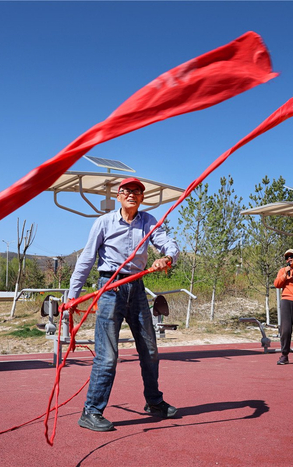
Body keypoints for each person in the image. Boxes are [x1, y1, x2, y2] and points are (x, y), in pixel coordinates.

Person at [68, 177, 180, 432]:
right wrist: (72, 297)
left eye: (137, 191)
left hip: (137, 288)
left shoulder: (149, 221)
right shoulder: (103, 222)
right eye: (127, 191)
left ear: (142, 198)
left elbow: (169, 244)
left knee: (150, 350)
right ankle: (91, 411)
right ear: (118, 196)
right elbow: (86, 259)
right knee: (108, 355)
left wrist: (167, 258)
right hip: (110, 288)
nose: (132, 194)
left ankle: (154, 402)